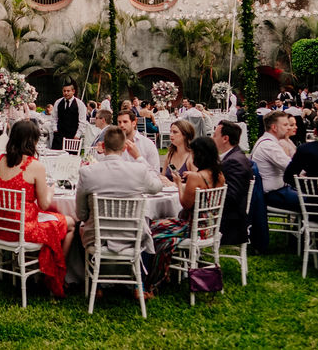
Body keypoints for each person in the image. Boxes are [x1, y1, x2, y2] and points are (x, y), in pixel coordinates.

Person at [0, 120, 72, 297]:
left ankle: (42, 268)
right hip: (23, 228)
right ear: (32, 141)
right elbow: (44, 204)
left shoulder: (0, 161)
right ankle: (56, 273)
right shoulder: (35, 166)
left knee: (52, 221)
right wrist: (51, 190)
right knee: (71, 223)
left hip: (1, 228)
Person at [149, 137, 226, 292]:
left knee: (151, 228)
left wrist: (178, 183)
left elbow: (185, 204)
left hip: (192, 227)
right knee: (159, 229)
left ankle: (155, 277)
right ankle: (165, 272)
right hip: (208, 227)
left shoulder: (196, 177)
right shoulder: (219, 175)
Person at [76, 126, 162, 255]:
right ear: (124, 148)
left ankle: (81, 272)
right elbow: (157, 187)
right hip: (132, 236)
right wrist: (139, 158)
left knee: (77, 229)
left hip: (98, 238)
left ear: (103, 146)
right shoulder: (138, 170)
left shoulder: (87, 172)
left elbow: (81, 215)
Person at [212, 121, 253, 246]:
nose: (212, 139)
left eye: (215, 135)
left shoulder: (234, 162)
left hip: (228, 223)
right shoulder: (234, 156)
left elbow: (231, 196)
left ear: (225, 138)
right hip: (229, 217)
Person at [251, 111, 300, 212]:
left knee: (311, 198)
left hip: (278, 191)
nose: (289, 128)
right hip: (273, 194)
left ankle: (301, 226)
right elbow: (291, 167)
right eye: (285, 125)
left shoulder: (267, 141)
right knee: (313, 200)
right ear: (274, 127)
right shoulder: (269, 146)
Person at [117, 109, 160, 173]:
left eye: (125, 122)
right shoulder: (115, 144)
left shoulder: (147, 144)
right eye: (119, 122)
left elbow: (155, 172)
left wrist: (138, 157)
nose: (121, 125)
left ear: (134, 123)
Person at [51, 83, 86, 151]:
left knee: (71, 158)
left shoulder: (80, 104)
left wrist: (77, 135)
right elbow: (54, 118)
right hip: (59, 135)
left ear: (73, 91)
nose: (66, 93)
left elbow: (82, 122)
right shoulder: (58, 102)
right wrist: (55, 130)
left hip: (73, 136)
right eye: (64, 91)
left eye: (68, 91)